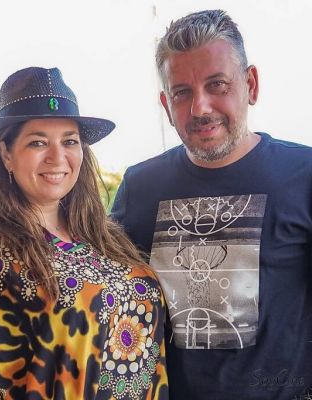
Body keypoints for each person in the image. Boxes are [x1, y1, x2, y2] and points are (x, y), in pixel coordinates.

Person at [0, 66, 168, 399]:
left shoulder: (107, 238)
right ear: (6, 154)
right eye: (38, 142)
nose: (57, 157)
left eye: (70, 141)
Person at [111, 9, 312, 400]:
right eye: (182, 92)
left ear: (250, 84)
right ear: (165, 104)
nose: (199, 108)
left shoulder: (303, 175)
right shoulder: (140, 186)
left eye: (217, 84)